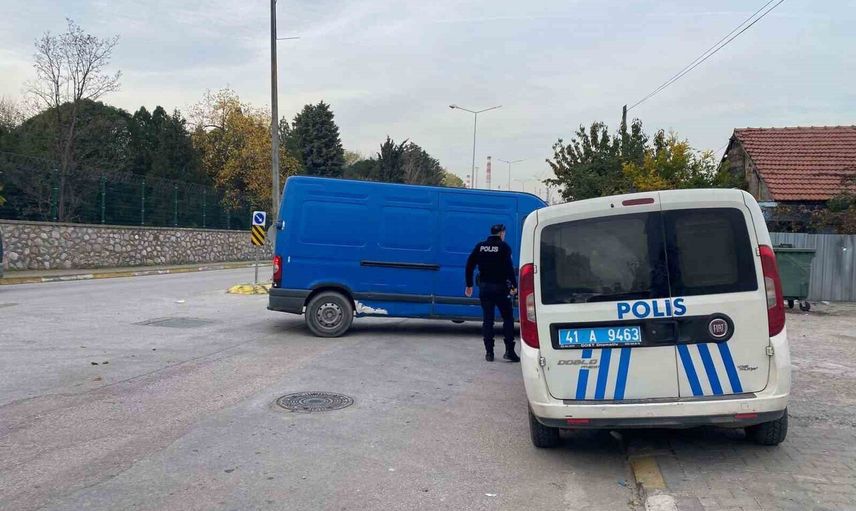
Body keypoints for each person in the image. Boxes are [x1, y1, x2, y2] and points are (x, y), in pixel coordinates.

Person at [465, 224, 520, 363]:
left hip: (485, 288)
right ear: (502, 233)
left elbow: (469, 265)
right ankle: (509, 351)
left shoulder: (480, 246)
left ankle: (489, 352)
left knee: (488, 320)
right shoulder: (504, 247)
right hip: (501, 288)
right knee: (508, 318)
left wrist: (469, 285)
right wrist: (515, 286)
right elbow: (509, 268)